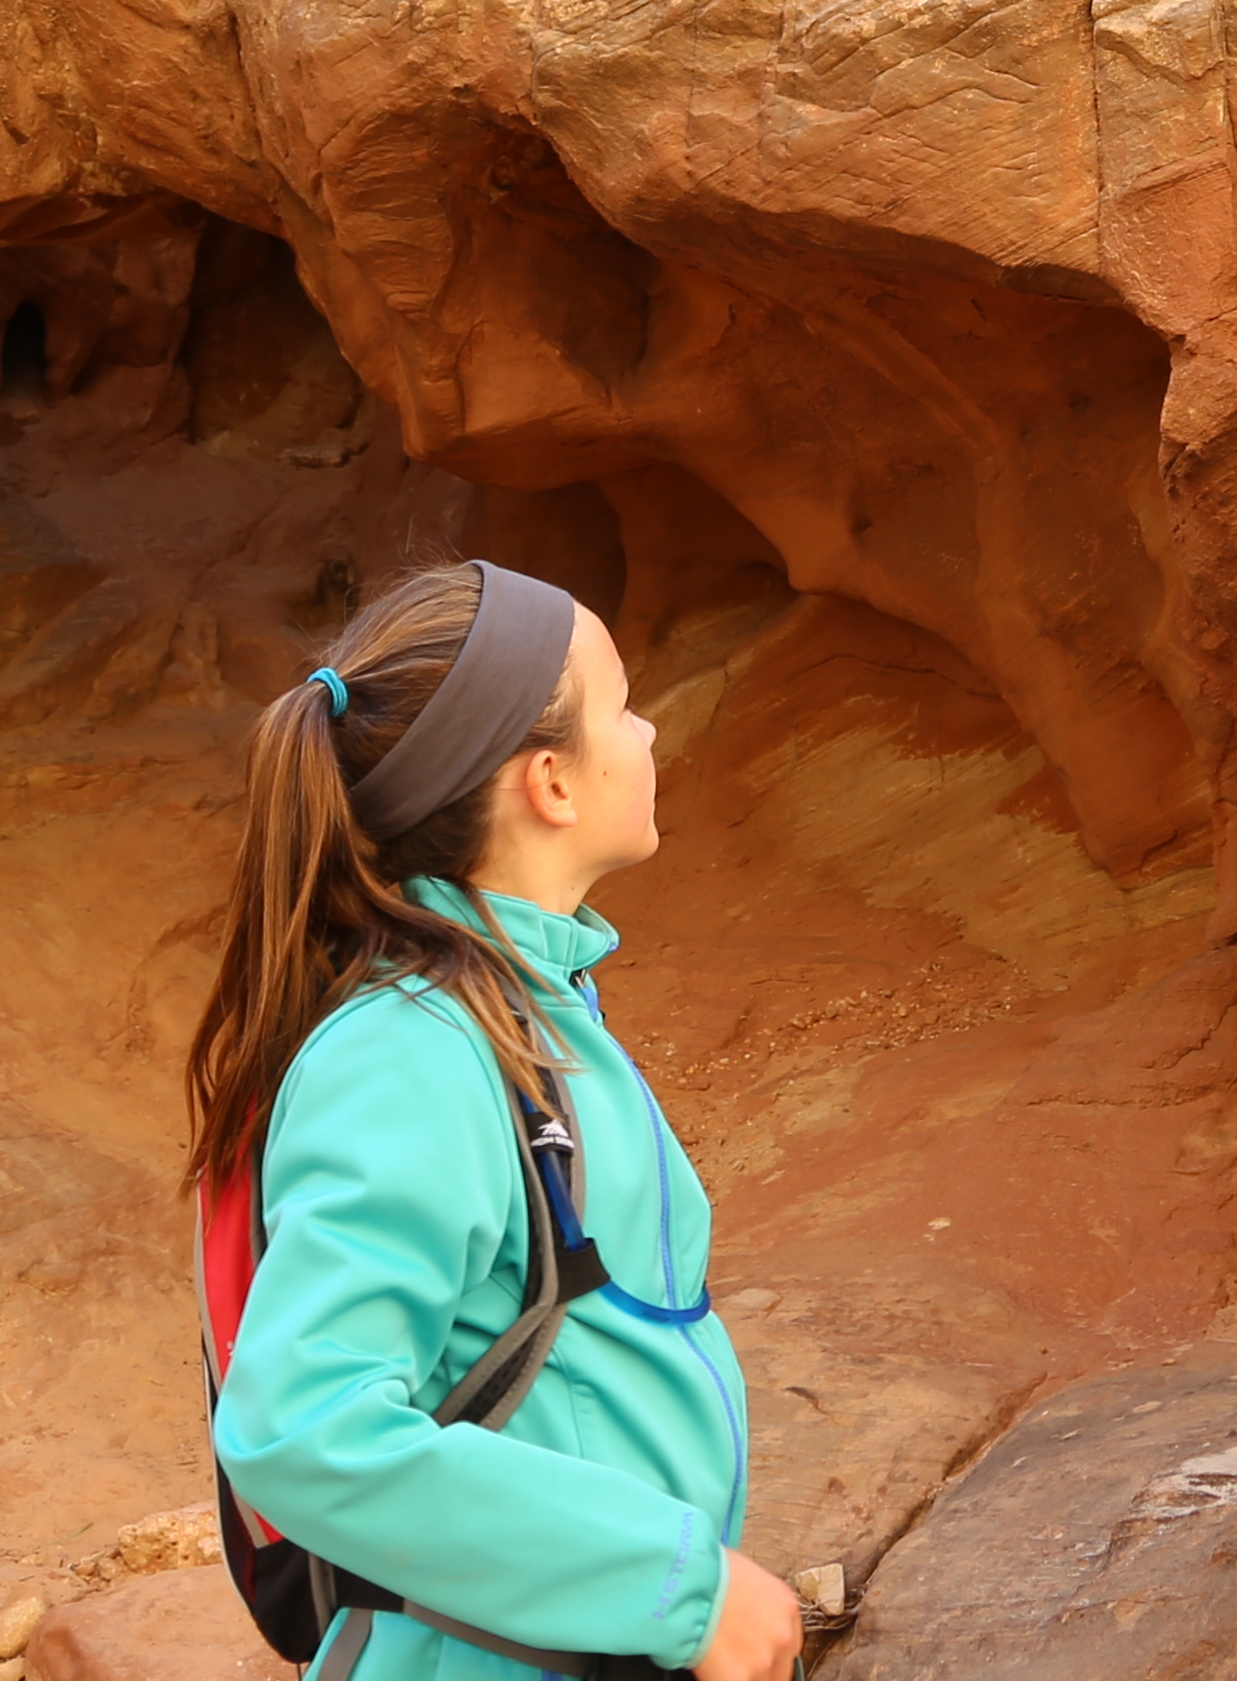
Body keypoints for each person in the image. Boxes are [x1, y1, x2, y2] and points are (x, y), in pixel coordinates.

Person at [192, 560, 800, 1681]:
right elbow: (301, 1423)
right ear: (550, 783)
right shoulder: (410, 1051)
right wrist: (682, 1592)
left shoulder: (519, 1006)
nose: (650, 730)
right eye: (621, 705)